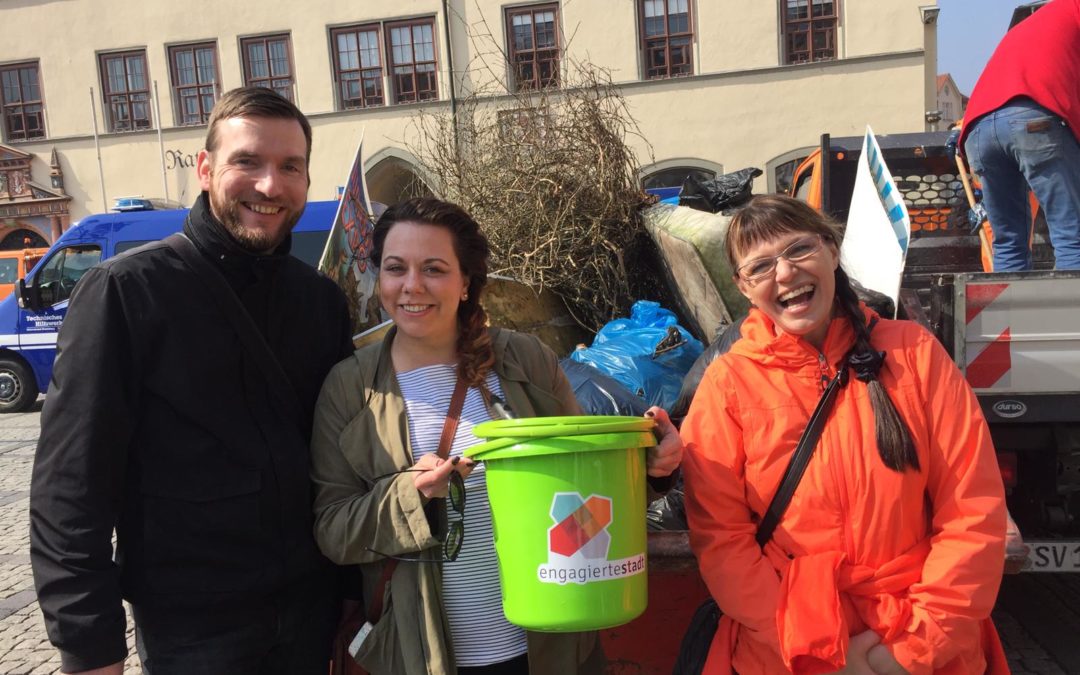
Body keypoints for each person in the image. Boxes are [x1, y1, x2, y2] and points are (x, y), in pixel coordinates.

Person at [29, 87, 354, 674]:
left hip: (313, 617)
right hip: (195, 633)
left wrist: (355, 598)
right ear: (206, 169)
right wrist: (89, 646)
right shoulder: (125, 293)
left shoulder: (322, 302)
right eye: (247, 162)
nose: (270, 185)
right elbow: (70, 489)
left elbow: (342, 462)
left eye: (290, 167)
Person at [310, 197, 682, 675]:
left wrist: (649, 468)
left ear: (466, 282)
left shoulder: (525, 360)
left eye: (435, 269)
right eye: (395, 268)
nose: (412, 286)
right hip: (425, 654)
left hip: (553, 643)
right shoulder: (349, 387)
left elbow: (585, 477)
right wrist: (413, 495)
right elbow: (333, 531)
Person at [680, 195, 1008, 674]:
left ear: (832, 251)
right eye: (762, 266)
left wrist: (913, 650)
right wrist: (816, 654)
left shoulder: (915, 354)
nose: (786, 274)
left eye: (798, 250)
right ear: (743, 289)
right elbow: (723, 542)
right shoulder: (728, 383)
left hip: (920, 637)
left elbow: (972, 509)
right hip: (790, 650)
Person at [959, 0, 1080, 271]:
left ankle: (1008, 315)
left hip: (977, 130)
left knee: (1008, 243)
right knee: (1073, 237)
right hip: (1031, 117)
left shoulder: (1033, 26)